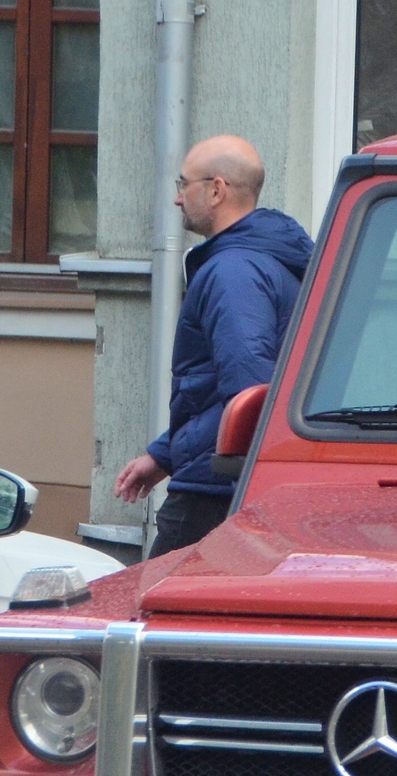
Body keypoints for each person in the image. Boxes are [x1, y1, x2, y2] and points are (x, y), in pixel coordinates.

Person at [112, 135, 314, 555]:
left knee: (160, 611)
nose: (177, 198)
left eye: (183, 184)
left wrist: (180, 456)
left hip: (213, 491)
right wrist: (164, 455)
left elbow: (250, 397)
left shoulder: (233, 272)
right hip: (223, 480)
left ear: (217, 189)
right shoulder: (263, 257)